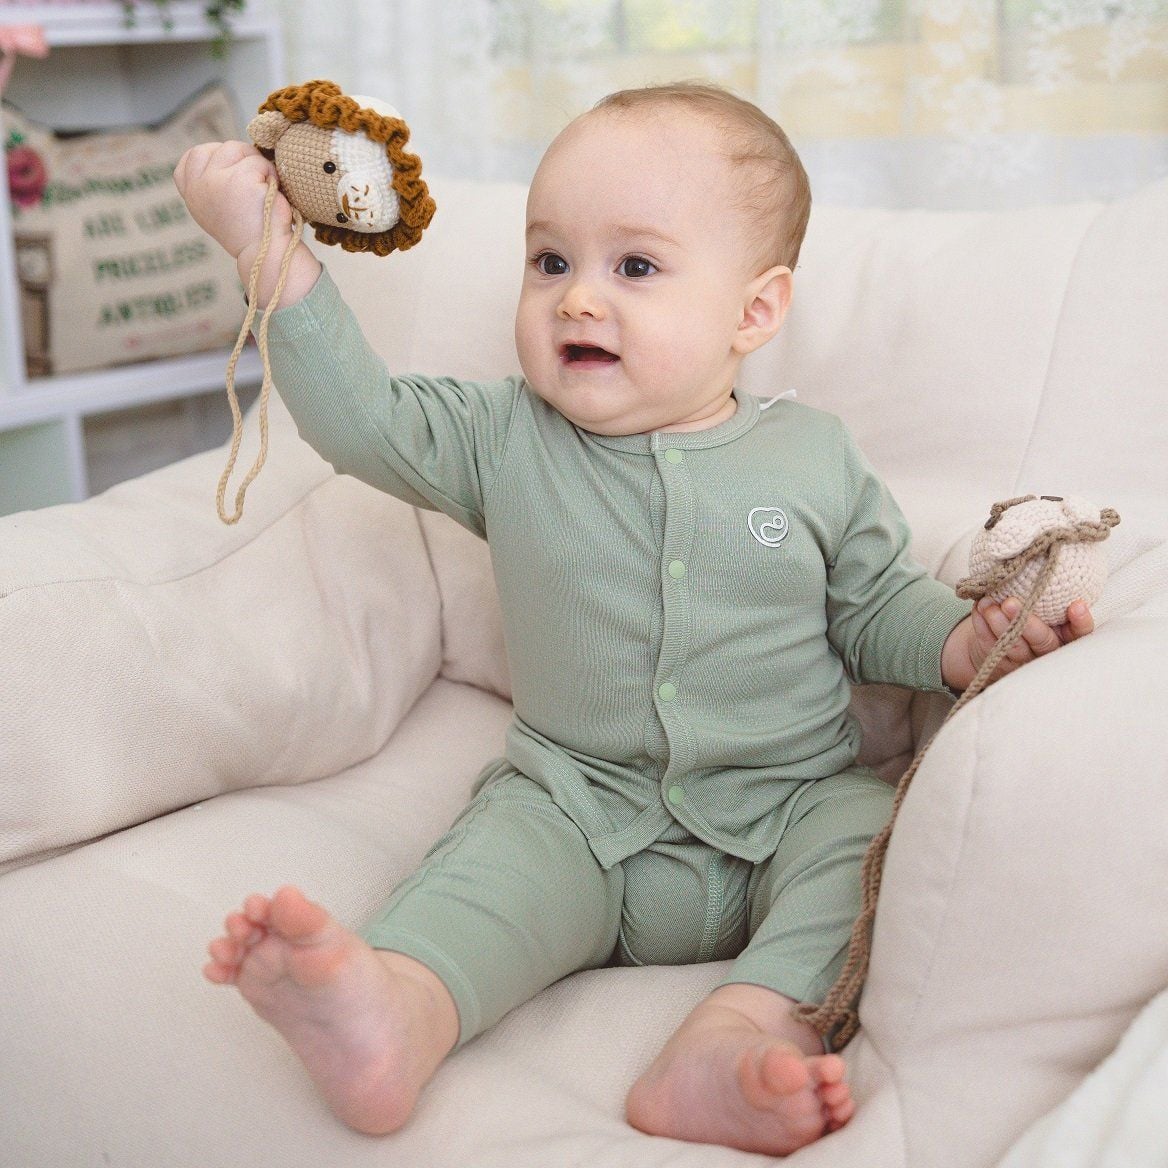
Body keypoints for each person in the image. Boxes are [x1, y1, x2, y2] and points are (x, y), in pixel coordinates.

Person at [174, 82, 1094, 1155]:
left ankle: (733, 1035)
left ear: (753, 312)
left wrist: (965, 643)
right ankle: (397, 1012)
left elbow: (877, 607)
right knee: (492, 867)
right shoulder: (503, 435)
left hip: (784, 805)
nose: (575, 299)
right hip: (579, 807)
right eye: (549, 261)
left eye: (636, 268)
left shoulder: (812, 457)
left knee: (862, 843)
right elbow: (361, 420)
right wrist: (269, 252)